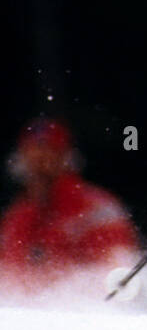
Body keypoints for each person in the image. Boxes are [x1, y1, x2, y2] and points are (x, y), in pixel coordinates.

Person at [0, 118, 139, 292]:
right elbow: (9, 277)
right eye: (32, 156)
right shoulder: (17, 216)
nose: (39, 165)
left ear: (66, 158)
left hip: (85, 311)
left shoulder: (97, 208)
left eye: (49, 154)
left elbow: (119, 271)